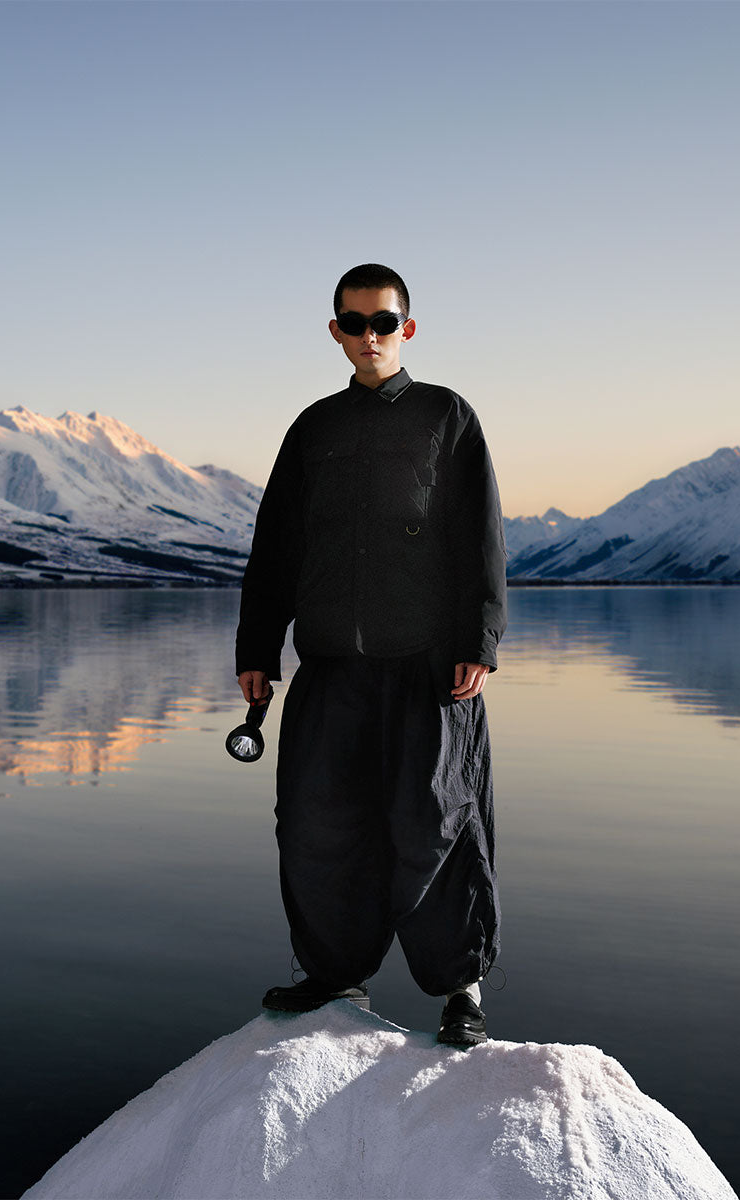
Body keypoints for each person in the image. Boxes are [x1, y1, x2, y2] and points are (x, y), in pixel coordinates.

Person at [235, 263, 507, 1046]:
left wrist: (480, 639)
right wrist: (258, 647)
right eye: (354, 324)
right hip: (330, 667)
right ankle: (333, 974)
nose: (369, 336)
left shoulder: (446, 416)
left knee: (437, 821)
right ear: (336, 332)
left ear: (406, 328)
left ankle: (461, 988)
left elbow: (480, 536)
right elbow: (276, 546)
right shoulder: (314, 428)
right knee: (317, 822)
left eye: (383, 322)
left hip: (429, 668)